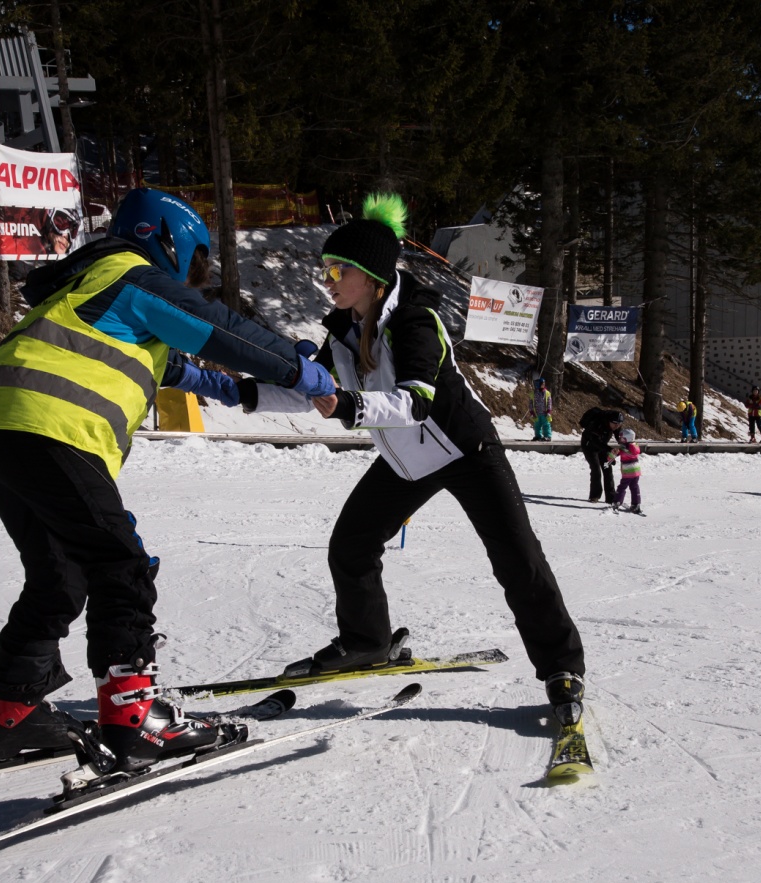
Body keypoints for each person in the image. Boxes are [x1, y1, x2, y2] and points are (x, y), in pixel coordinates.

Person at [0, 187, 336, 775]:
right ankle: (133, 720)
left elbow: (185, 366)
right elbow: (220, 330)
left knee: (61, 573)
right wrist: (301, 368)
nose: (196, 275)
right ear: (165, 239)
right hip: (50, 426)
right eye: (196, 260)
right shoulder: (133, 275)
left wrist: (252, 389)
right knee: (121, 566)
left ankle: (11, 711)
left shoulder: (97, 288)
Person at [243, 193, 588, 724]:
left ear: (371, 275)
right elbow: (309, 388)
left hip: (465, 450)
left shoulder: (416, 319)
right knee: (352, 544)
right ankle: (366, 642)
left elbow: (416, 400)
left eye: (338, 269)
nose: (327, 279)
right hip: (408, 459)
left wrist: (349, 407)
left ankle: (562, 667)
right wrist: (235, 393)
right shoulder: (341, 326)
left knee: (517, 558)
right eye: (326, 269)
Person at [580, 406, 624, 502]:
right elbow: (595, 441)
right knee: (596, 469)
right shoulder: (597, 424)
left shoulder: (615, 424)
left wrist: (624, 444)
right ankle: (594, 496)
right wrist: (609, 450)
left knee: (607, 468)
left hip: (602, 446)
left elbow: (619, 436)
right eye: (615, 424)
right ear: (609, 421)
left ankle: (611, 497)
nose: (617, 426)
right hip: (589, 446)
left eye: (619, 424)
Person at [610, 427, 642, 513]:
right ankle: (636, 503)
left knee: (622, 487)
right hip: (635, 472)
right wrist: (611, 456)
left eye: (622, 438)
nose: (620, 439)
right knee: (634, 487)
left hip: (629, 472)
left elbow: (633, 451)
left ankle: (617, 501)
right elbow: (615, 454)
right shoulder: (627, 447)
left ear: (627, 439)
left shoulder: (630, 447)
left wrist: (619, 450)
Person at [528, 376, 553, 441]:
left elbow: (549, 402)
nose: (544, 385)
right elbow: (530, 403)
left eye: (544, 384)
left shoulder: (547, 393)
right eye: (542, 384)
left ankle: (547, 436)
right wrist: (531, 411)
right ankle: (538, 436)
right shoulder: (533, 393)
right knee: (537, 425)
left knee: (546, 425)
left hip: (545, 413)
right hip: (536, 413)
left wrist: (549, 411)